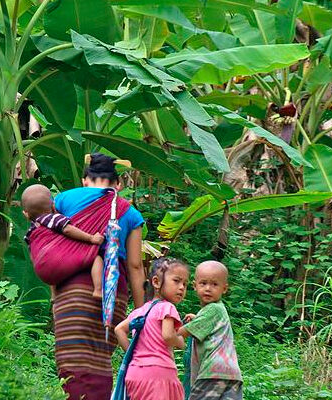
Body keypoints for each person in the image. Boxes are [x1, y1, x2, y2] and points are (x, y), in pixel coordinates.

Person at [52, 153, 146, 400]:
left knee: (73, 356)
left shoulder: (62, 200)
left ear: (85, 180)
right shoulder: (130, 212)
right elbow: (135, 266)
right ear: (118, 185)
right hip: (113, 292)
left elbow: (50, 243)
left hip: (70, 288)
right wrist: (141, 314)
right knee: (99, 356)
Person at [114, 257, 189, 400]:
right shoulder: (167, 307)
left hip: (135, 373)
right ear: (156, 282)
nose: (181, 287)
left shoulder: (139, 312)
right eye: (176, 281)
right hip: (159, 373)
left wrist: (134, 355)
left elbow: (119, 329)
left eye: (185, 284)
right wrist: (180, 342)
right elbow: (167, 336)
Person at [22, 184, 105, 298]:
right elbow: (68, 230)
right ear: (53, 206)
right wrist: (91, 238)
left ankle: (54, 295)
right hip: (59, 263)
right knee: (96, 257)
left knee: (49, 257)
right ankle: (98, 290)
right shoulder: (54, 218)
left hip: (43, 271)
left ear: (25, 214)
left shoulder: (30, 232)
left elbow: (33, 254)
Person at [178, 261, 243, 400]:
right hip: (231, 374)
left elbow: (180, 333)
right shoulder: (218, 309)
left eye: (214, 284)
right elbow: (210, 325)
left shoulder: (212, 309)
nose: (208, 288)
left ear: (224, 288)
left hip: (212, 373)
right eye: (203, 283)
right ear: (195, 286)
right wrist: (197, 318)